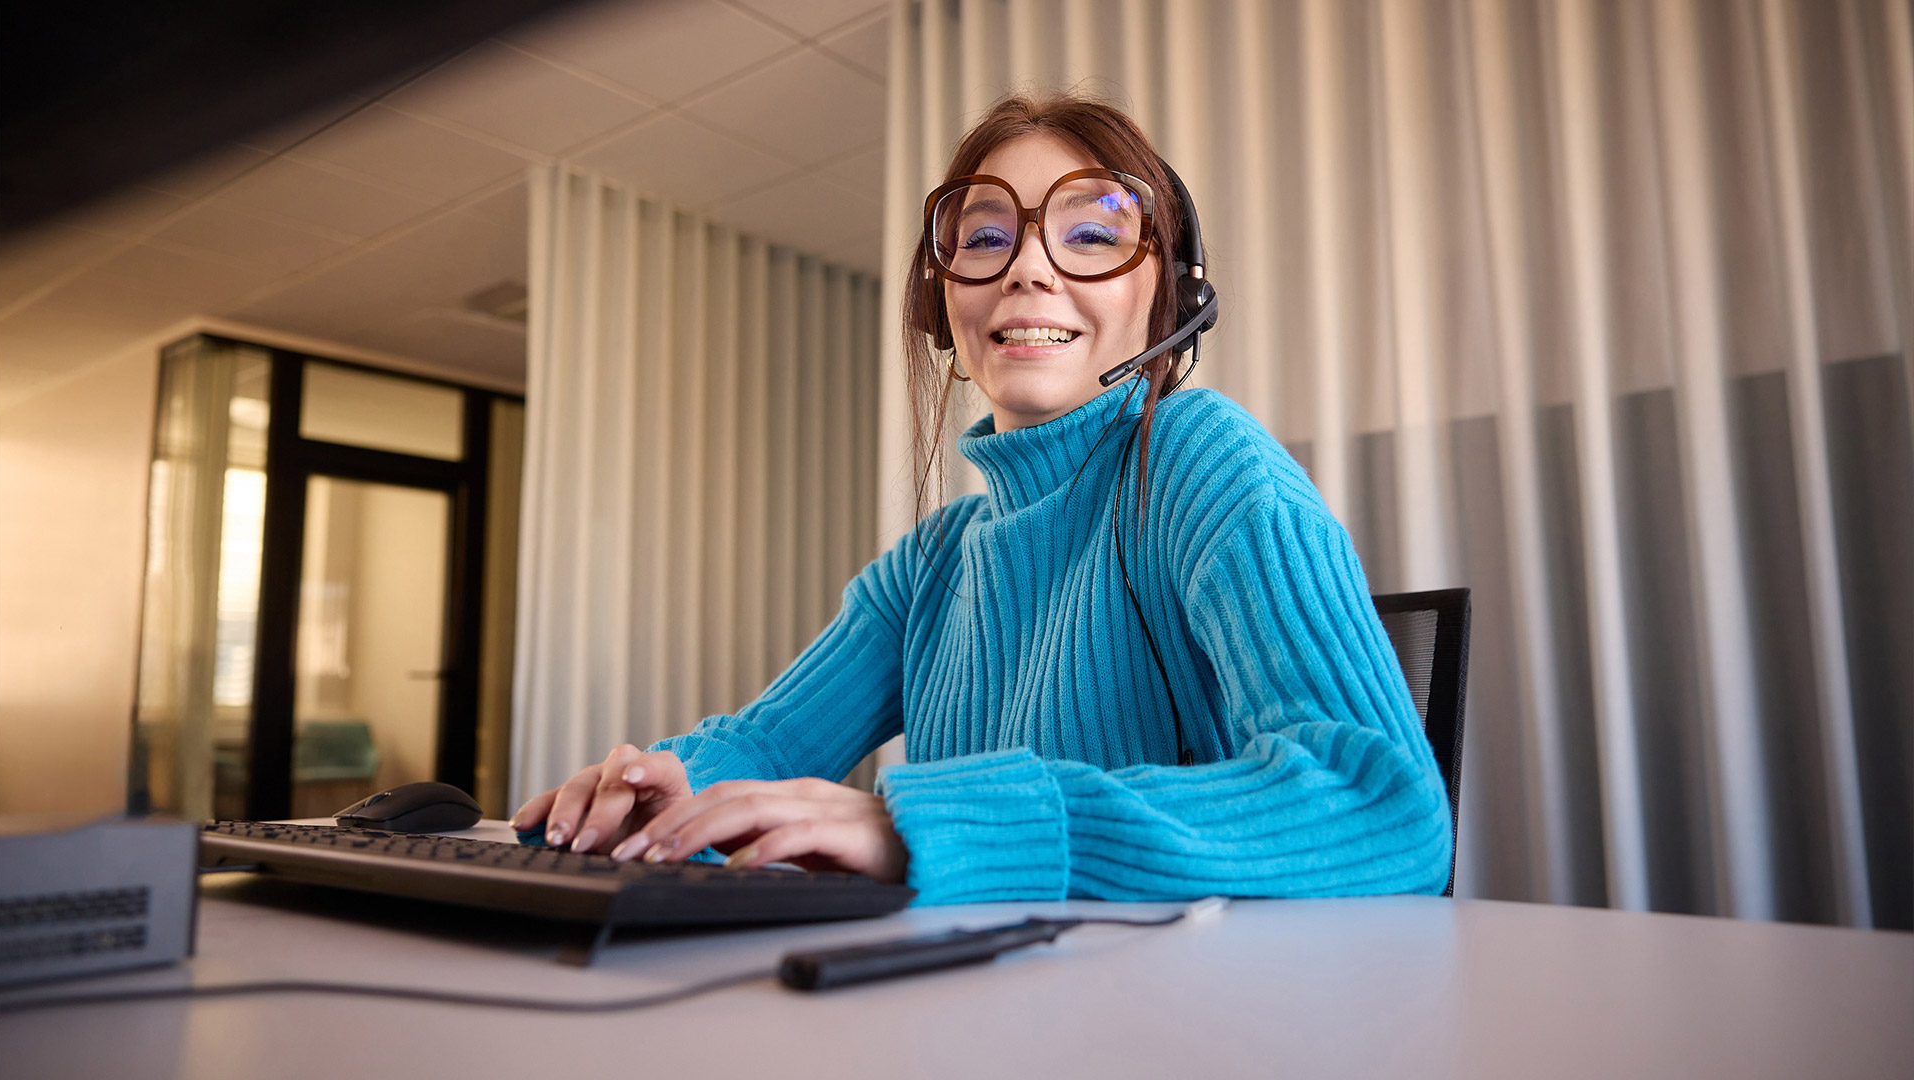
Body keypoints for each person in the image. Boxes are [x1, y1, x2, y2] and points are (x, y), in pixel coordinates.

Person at [510, 93, 1453, 905]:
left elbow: (1382, 805)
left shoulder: (1206, 464)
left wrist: (932, 827)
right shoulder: (933, 561)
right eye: (987, 239)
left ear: (1169, 300)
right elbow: (769, 741)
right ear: (943, 305)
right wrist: (666, 786)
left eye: (1091, 234)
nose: (1029, 268)